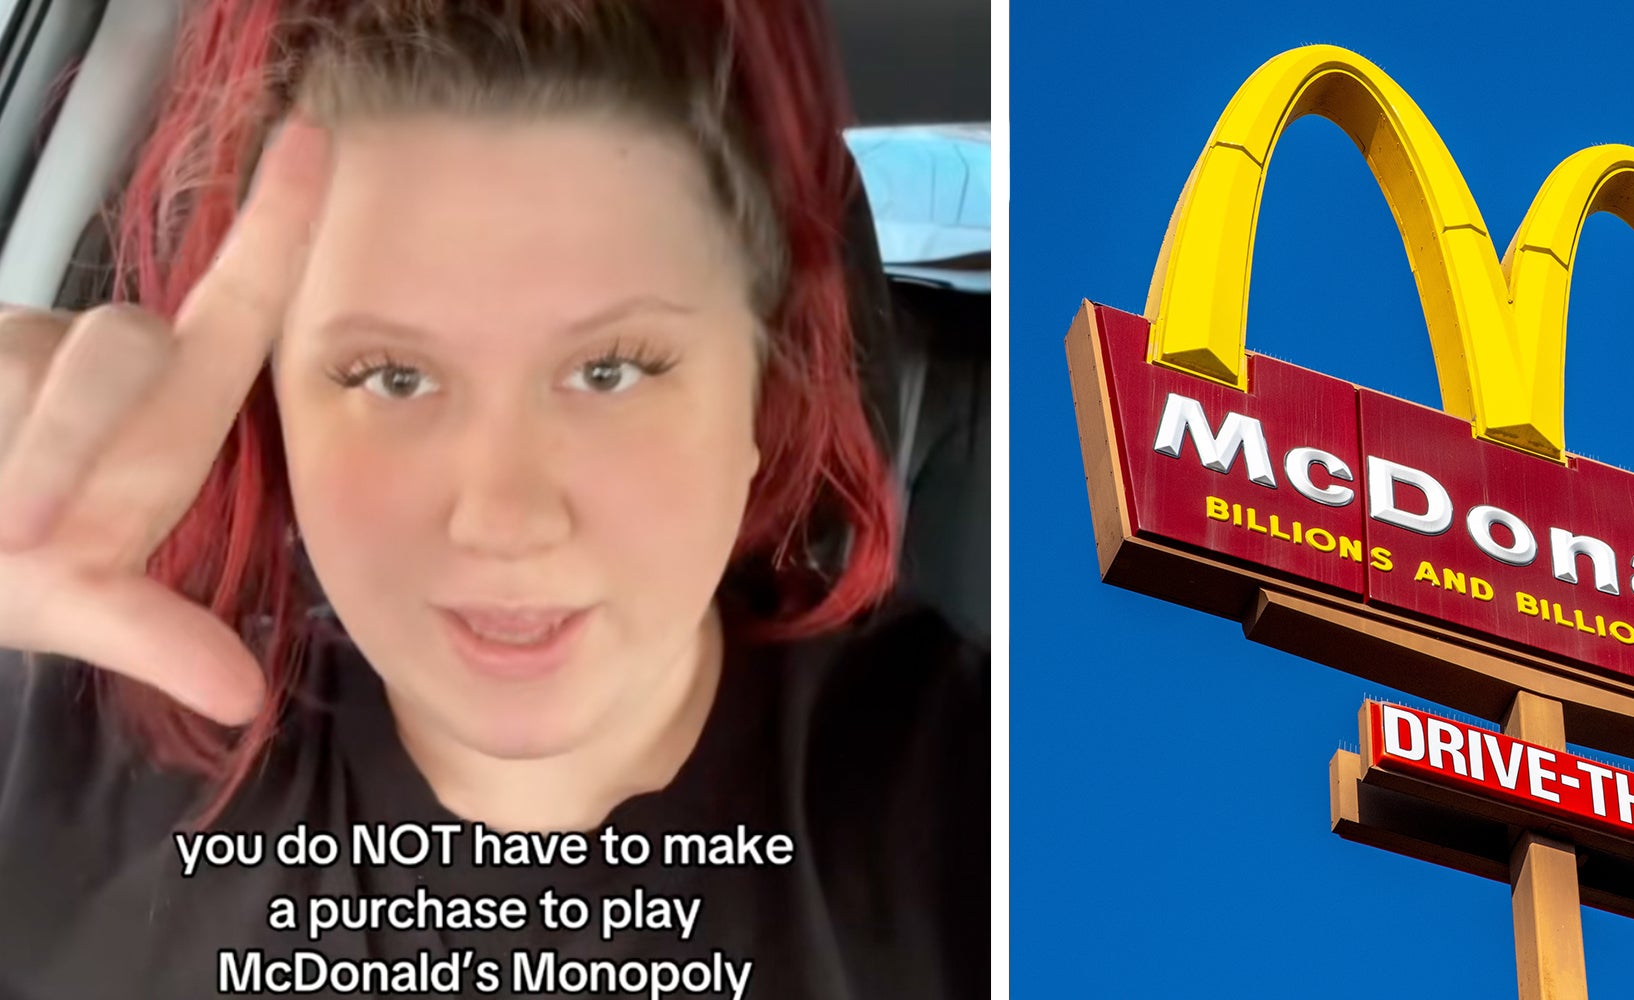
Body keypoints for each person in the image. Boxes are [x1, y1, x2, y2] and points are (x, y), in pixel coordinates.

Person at [0, 1, 987, 997]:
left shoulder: (986, 808)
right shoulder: (64, 763)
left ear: (759, 394)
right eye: (391, 376)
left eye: (610, 370)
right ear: (275, 405)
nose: (502, 519)